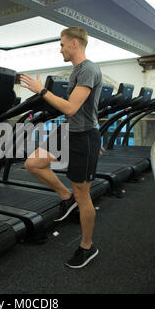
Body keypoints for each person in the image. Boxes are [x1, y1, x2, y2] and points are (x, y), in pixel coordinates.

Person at [20, 26, 102, 268]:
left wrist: (41, 91)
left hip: (83, 136)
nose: (61, 49)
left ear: (74, 44)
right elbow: (85, 108)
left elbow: (70, 108)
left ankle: (87, 246)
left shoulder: (87, 68)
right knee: (33, 163)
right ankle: (66, 197)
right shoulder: (78, 70)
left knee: (83, 194)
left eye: (62, 44)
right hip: (69, 131)